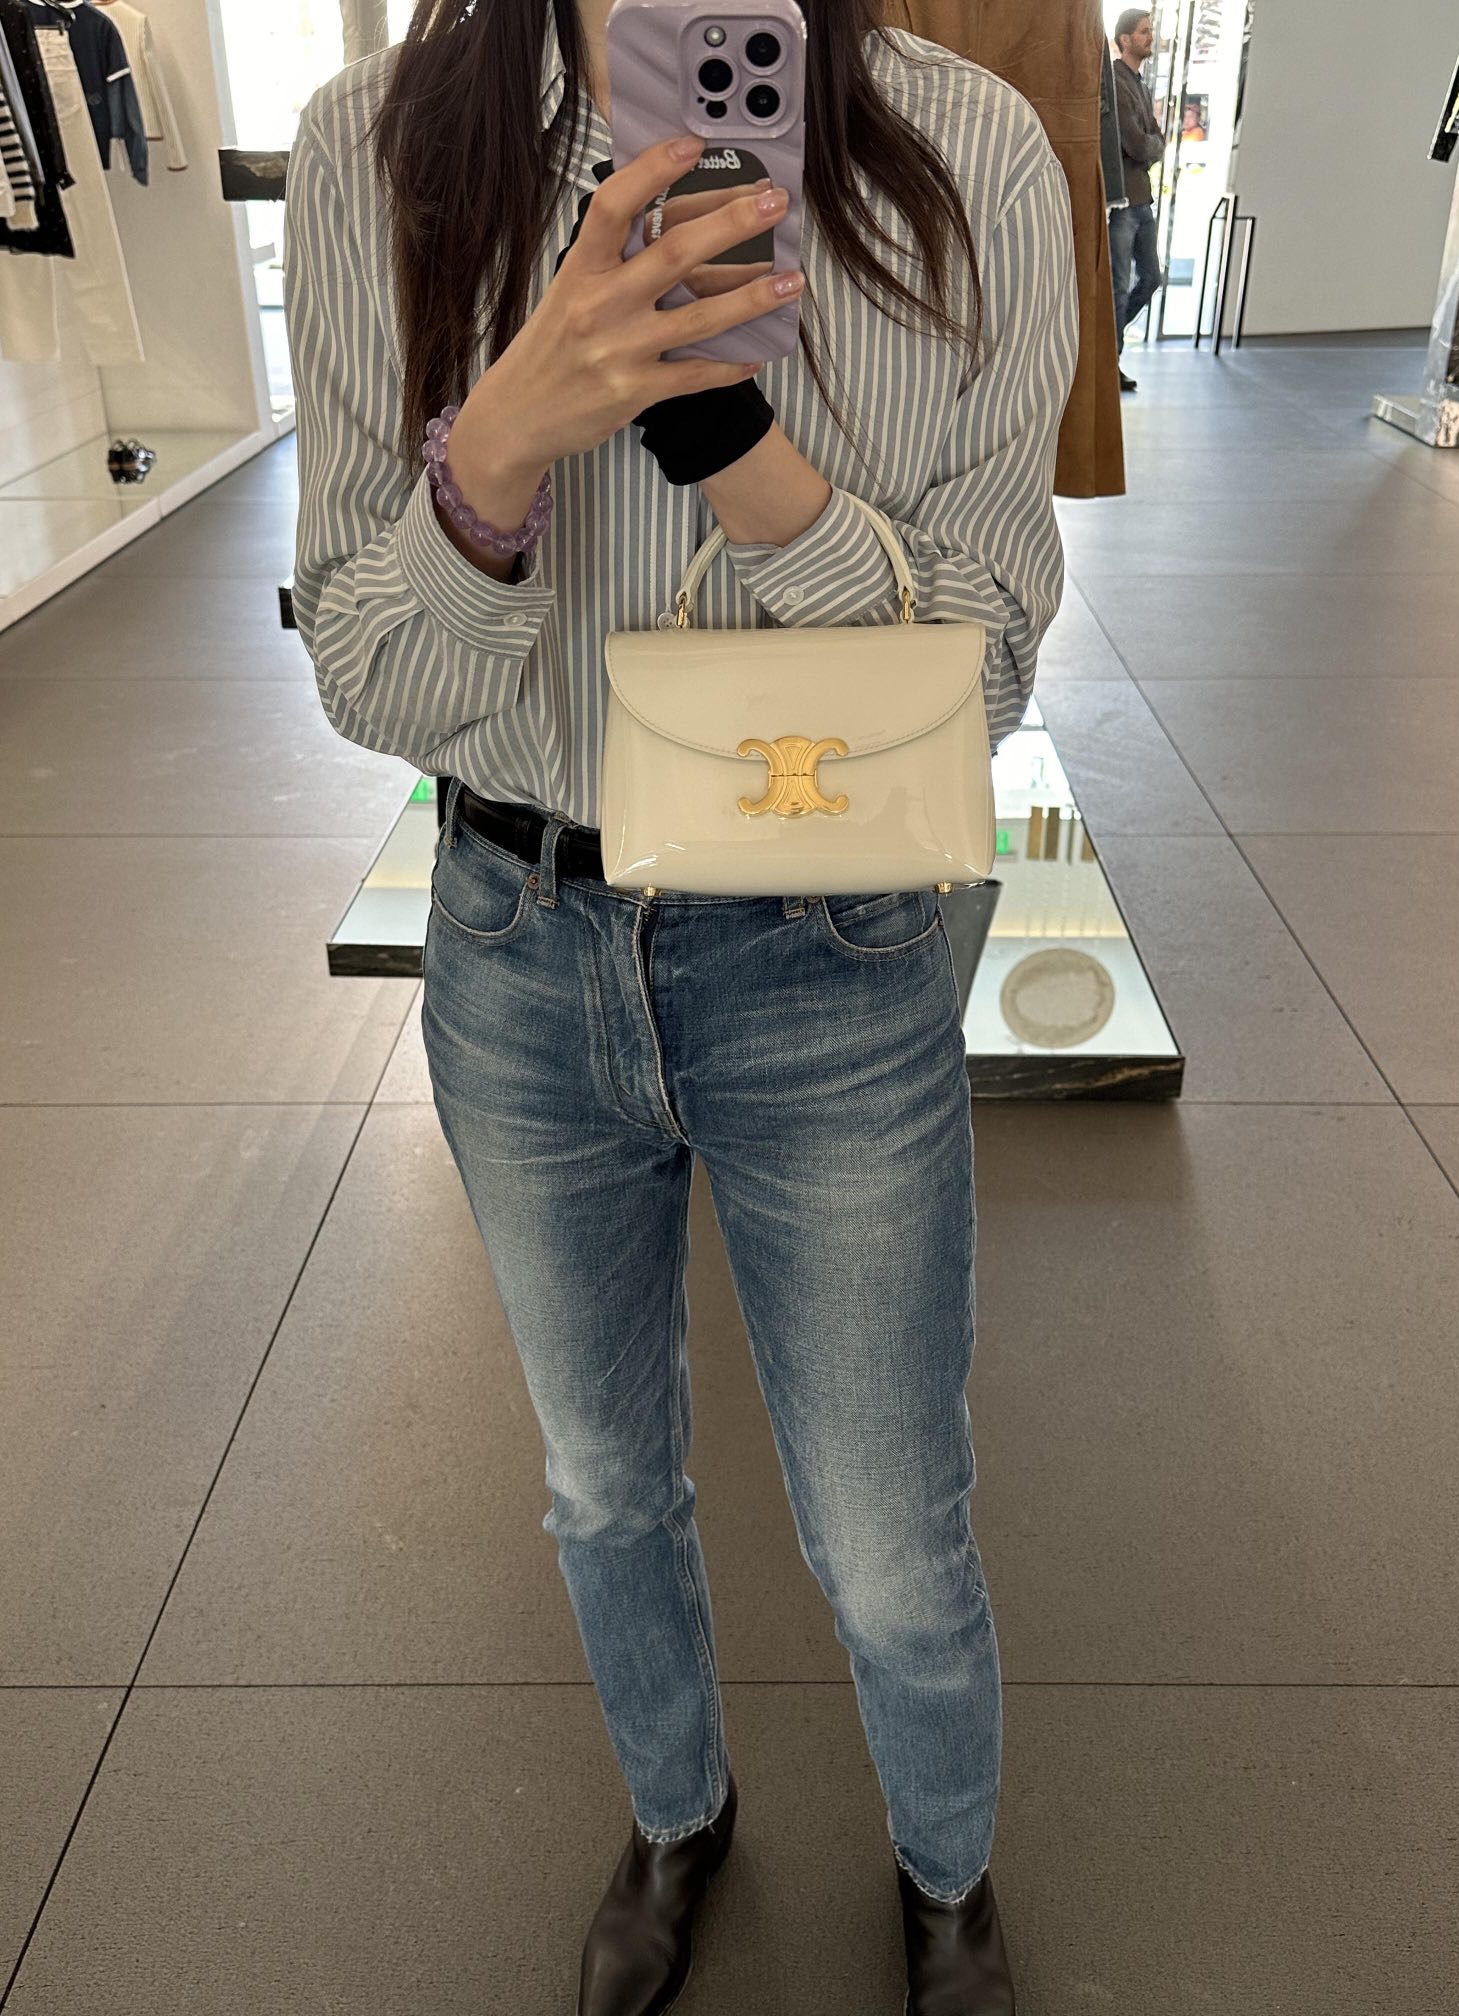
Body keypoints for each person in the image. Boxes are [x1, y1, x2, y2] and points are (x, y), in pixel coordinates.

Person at [285, 1, 1075, 2010]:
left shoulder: (969, 159)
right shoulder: (375, 154)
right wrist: (500, 449)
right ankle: (674, 1813)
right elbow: (368, 679)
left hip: (833, 943)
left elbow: (983, 674)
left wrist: (742, 461)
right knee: (598, 1479)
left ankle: (949, 1873)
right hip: (516, 933)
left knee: (891, 1528)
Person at [1109, 6, 1164, 390]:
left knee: (1152, 278)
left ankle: (1107, 343)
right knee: (1117, 285)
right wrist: (1151, 144)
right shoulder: (1116, 83)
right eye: (1143, 31)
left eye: (1150, 30)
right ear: (1125, 39)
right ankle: (1110, 359)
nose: (1149, 36)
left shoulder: (1140, 86)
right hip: (1124, 202)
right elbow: (1138, 143)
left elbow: (1156, 139)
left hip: (1142, 198)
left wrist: (1151, 144)